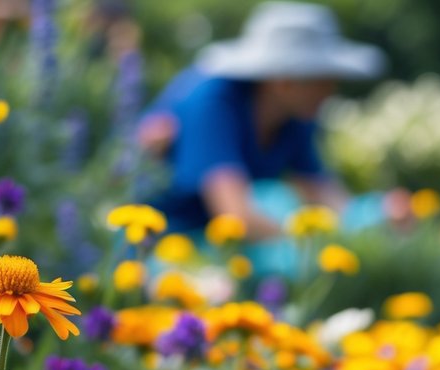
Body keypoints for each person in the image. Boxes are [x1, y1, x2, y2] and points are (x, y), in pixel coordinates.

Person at [140, 1, 402, 241]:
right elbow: (236, 218)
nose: (331, 91)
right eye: (323, 80)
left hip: (209, 246)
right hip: (149, 245)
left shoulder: (295, 119)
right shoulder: (212, 102)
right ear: (285, 82)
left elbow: (324, 195)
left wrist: (379, 211)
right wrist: (312, 245)